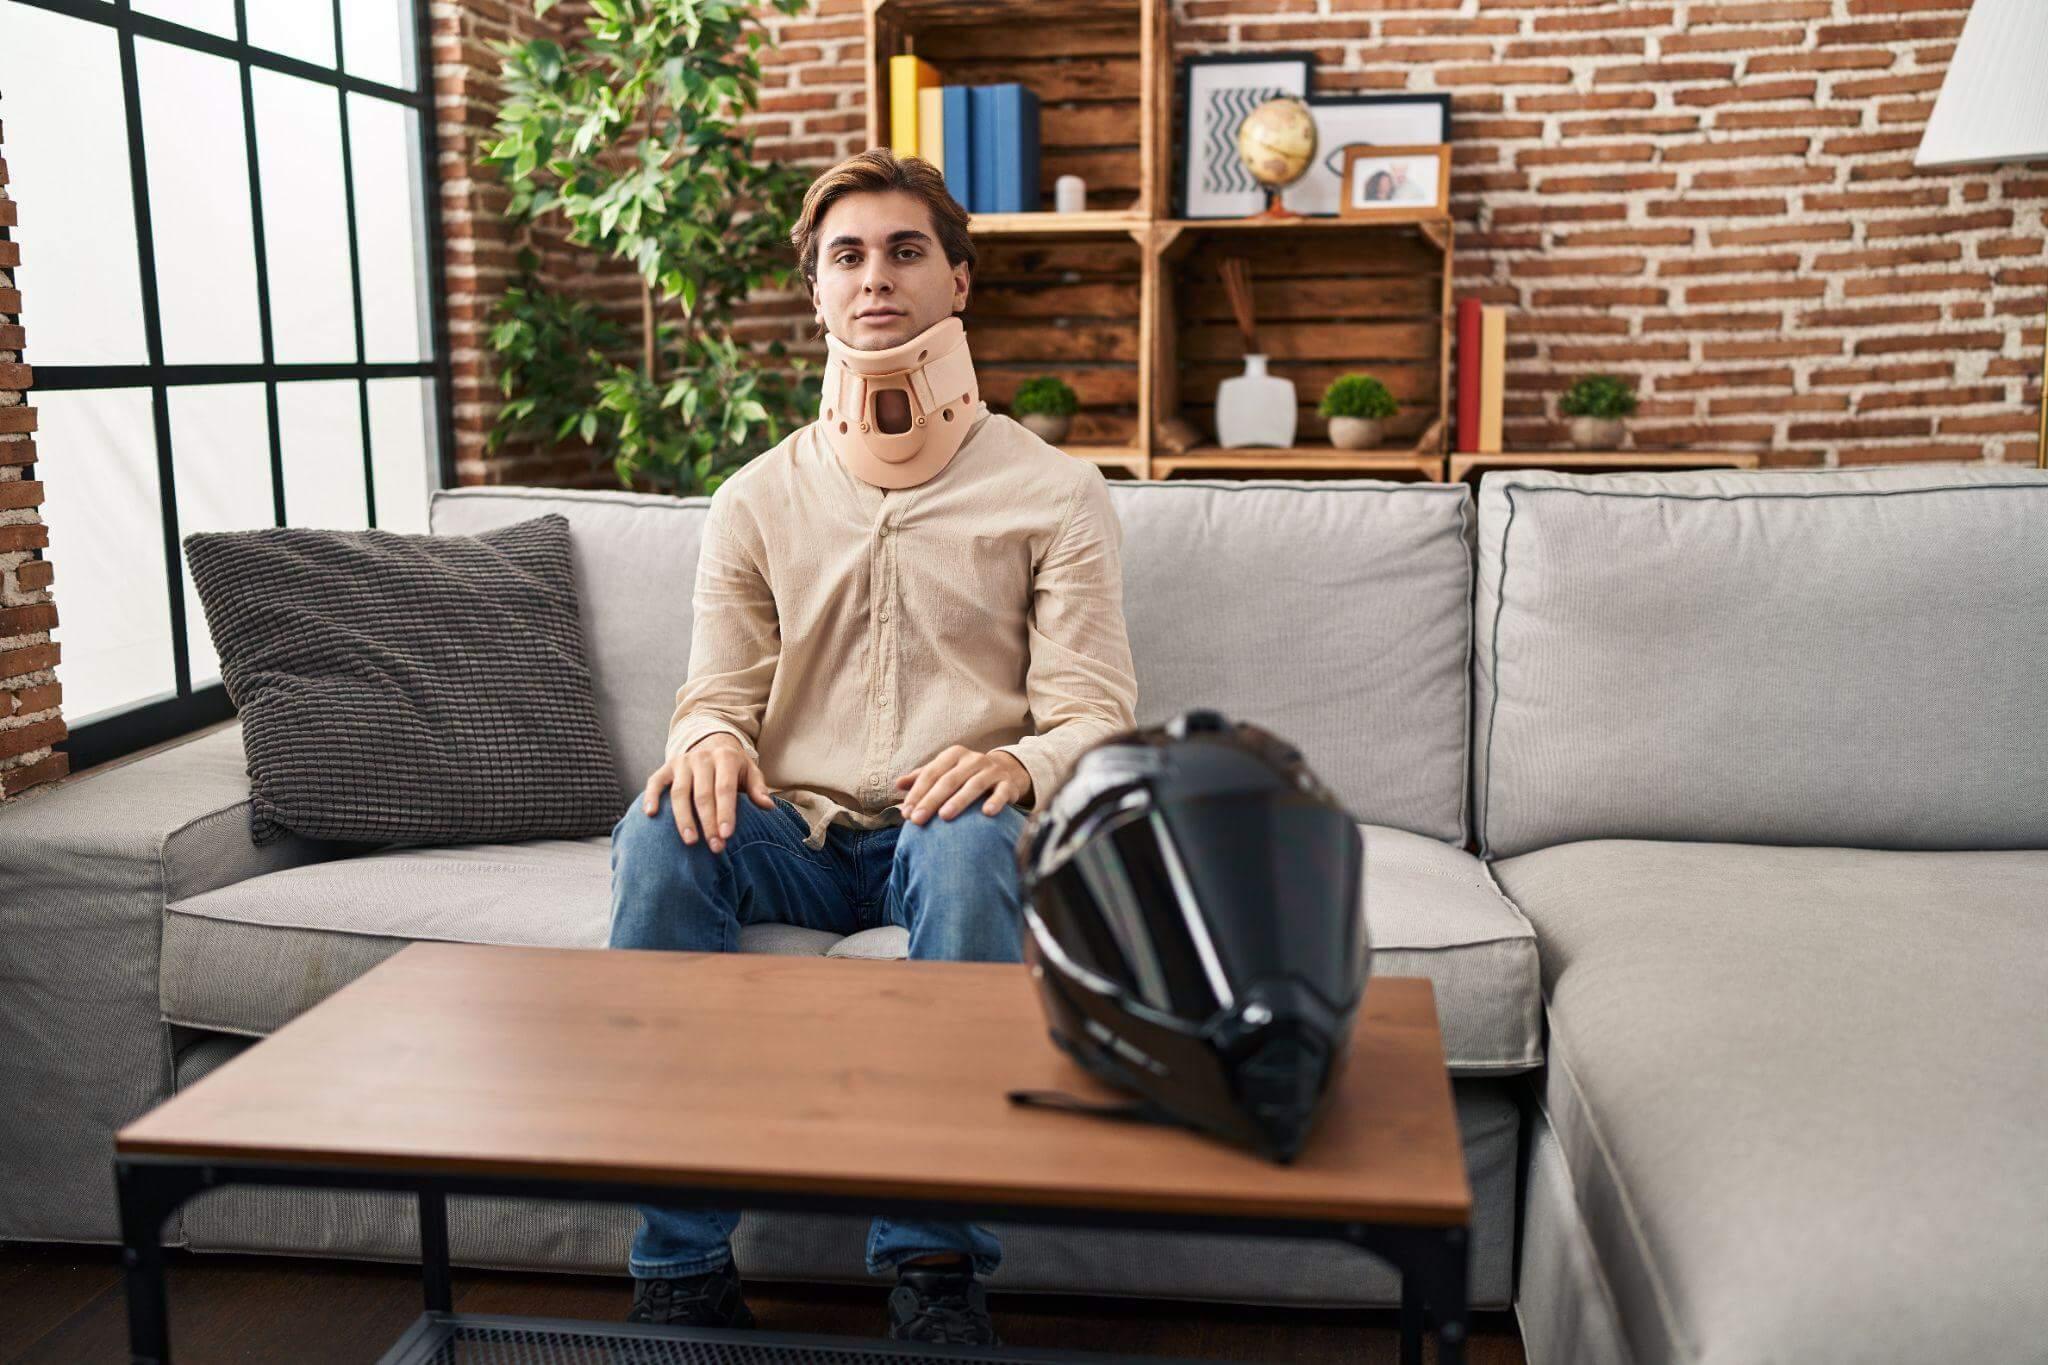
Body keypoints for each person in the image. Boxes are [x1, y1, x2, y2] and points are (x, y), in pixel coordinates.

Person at [606, 147, 1140, 1347]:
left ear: (959, 283)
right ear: (816, 292)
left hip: (951, 822)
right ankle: (678, 1272)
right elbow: (716, 693)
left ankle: (935, 1273)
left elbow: (1092, 710)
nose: (875, 276)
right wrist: (700, 742)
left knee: (963, 855)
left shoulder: (1053, 492)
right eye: (846, 255)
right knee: (656, 832)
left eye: (906, 250)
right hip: (790, 828)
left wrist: (1022, 765)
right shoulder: (753, 498)